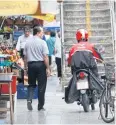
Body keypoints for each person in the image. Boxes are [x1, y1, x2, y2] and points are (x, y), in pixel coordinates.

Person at [24, 26, 50, 111]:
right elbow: (45, 57)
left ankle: (29, 99)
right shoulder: (42, 42)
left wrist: (25, 68)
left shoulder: (27, 42)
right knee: (41, 86)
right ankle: (40, 106)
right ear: (38, 33)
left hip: (31, 65)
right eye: (42, 32)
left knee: (31, 85)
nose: (43, 34)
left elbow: (25, 57)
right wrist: (48, 68)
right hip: (40, 65)